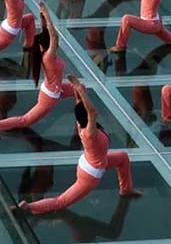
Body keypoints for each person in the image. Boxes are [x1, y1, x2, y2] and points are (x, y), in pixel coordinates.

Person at [21, 79, 138, 214]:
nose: (95, 112)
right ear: (88, 117)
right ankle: (29, 207)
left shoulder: (81, 123)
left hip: (95, 160)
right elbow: (92, 111)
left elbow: (81, 105)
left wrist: (78, 91)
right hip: (90, 173)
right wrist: (81, 90)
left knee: (122, 157)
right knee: (61, 202)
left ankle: (126, 189)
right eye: (91, 113)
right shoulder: (90, 133)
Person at [0, 6, 66, 133]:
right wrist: (46, 15)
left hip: (55, 88)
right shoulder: (49, 56)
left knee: (79, 89)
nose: (56, 43)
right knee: (26, 120)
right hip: (50, 95)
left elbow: (47, 33)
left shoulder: (44, 51)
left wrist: (43, 17)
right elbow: (53, 35)